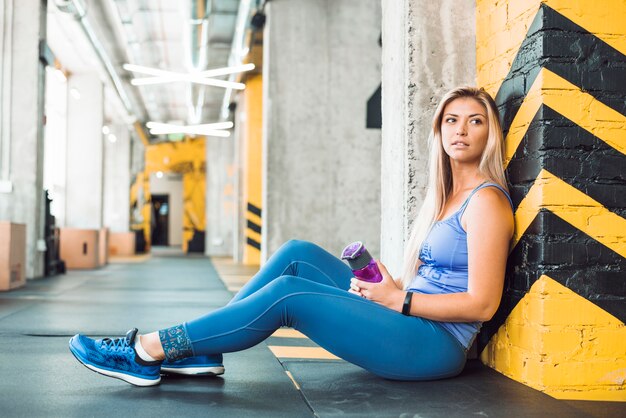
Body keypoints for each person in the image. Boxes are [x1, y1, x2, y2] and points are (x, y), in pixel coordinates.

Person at [69, 86, 514, 387]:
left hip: (433, 345)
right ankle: (201, 350)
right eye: (452, 120)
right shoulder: (447, 196)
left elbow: (483, 303)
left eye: (475, 121)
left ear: (489, 133)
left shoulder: (486, 202)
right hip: (411, 316)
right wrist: (393, 287)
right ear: (438, 130)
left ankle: (148, 351)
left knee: (289, 295)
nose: (461, 130)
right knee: (297, 254)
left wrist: (399, 301)